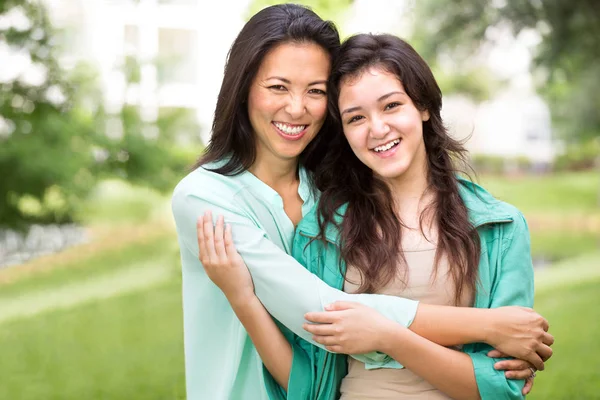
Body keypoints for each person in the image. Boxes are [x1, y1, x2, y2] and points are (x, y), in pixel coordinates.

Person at [173, 5, 552, 400]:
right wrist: (489, 325)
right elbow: (319, 327)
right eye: (278, 86)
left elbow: (503, 385)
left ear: (422, 105)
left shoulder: (497, 227)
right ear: (244, 87)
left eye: (315, 91)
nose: (297, 107)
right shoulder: (313, 224)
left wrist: (390, 334)